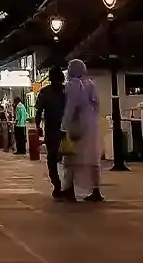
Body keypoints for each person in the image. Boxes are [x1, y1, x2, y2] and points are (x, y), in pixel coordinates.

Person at [60, 59, 103, 203]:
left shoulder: (72, 85)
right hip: (92, 127)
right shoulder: (90, 84)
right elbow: (97, 105)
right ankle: (96, 190)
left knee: (71, 158)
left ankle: (68, 190)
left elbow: (70, 108)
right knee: (93, 160)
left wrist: (63, 127)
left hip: (77, 126)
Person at [33, 66, 68, 197]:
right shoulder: (66, 91)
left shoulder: (44, 92)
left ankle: (57, 185)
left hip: (52, 129)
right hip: (65, 129)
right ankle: (66, 185)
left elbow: (38, 112)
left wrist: (37, 127)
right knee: (68, 157)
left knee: (52, 159)